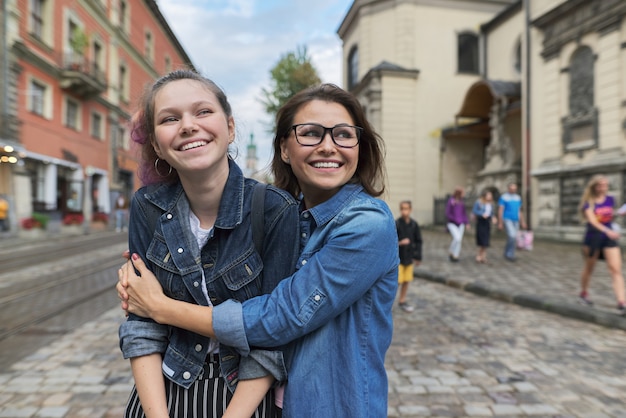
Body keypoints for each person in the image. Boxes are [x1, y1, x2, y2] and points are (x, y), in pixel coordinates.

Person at [118, 83, 399, 417]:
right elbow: (141, 328)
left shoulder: (366, 225)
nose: (328, 147)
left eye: (343, 134)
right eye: (310, 133)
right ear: (284, 149)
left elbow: (279, 318)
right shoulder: (292, 213)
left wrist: (159, 306)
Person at [117, 69, 300, 418]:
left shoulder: (275, 209)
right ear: (156, 143)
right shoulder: (147, 206)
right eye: (170, 118)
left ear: (230, 128)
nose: (188, 125)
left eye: (202, 112)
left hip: (243, 396)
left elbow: (273, 335)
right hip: (164, 390)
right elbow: (141, 323)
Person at [576, 175, 626, 316]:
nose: (604, 187)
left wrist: (620, 213)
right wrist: (607, 231)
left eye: (606, 184)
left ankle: (622, 303)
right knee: (589, 268)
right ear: (595, 187)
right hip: (593, 238)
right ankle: (583, 294)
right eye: (601, 184)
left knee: (615, 269)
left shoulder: (611, 200)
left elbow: (609, 215)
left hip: (609, 239)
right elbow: (593, 221)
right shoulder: (588, 203)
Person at [396, 200, 422, 312]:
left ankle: (402, 300)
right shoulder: (397, 223)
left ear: (410, 210)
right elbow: (391, 241)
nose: (404, 211)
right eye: (402, 208)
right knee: (397, 281)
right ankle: (387, 302)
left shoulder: (414, 224)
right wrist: (400, 243)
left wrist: (418, 256)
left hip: (409, 257)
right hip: (399, 258)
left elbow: (419, 241)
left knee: (407, 280)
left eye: (406, 209)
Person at [497, 182, 526, 261]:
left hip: (516, 220)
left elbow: (519, 211)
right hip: (507, 219)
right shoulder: (504, 197)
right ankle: (510, 254)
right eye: (512, 189)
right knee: (512, 235)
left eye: (515, 189)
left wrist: (522, 221)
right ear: (508, 189)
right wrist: (500, 222)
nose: (513, 190)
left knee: (513, 237)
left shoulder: (518, 198)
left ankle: (508, 252)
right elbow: (500, 210)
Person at [445, 186, 470, 262]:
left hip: (461, 223)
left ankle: (456, 255)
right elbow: (447, 213)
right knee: (457, 238)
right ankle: (451, 251)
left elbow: (464, 213)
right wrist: (454, 219)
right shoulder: (451, 201)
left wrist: (467, 222)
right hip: (452, 223)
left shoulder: (462, 202)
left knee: (459, 240)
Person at [472, 189, 496, 263]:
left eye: (490, 195)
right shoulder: (479, 202)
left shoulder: (491, 204)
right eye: (488, 195)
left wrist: (493, 217)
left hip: (487, 222)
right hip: (481, 221)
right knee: (482, 239)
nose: (490, 197)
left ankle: (483, 256)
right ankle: (480, 255)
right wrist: (482, 214)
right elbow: (475, 210)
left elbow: (491, 213)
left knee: (486, 240)